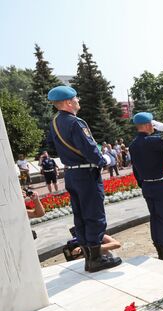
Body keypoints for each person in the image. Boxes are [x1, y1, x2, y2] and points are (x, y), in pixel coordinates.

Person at [47, 85, 121, 272]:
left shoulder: (54, 122)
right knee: (94, 214)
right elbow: (89, 148)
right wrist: (103, 160)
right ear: (68, 102)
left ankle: (89, 258)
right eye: (76, 98)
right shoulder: (76, 122)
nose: (78, 101)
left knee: (80, 215)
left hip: (71, 174)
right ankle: (97, 260)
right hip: (86, 174)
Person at [129, 112, 163, 261]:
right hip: (161, 185)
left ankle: (160, 249)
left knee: (155, 218)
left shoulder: (133, 145)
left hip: (147, 186)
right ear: (148, 125)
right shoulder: (152, 141)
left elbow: (135, 169)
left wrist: (143, 184)